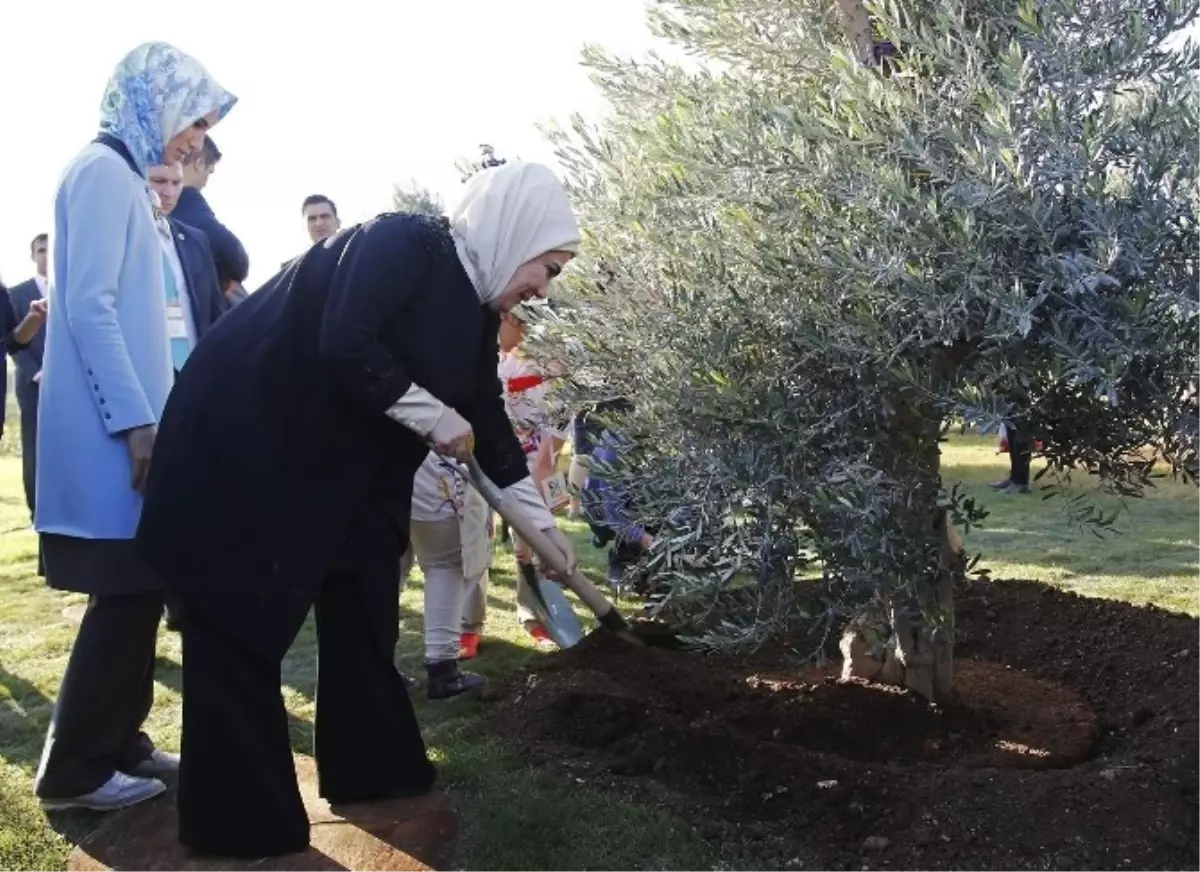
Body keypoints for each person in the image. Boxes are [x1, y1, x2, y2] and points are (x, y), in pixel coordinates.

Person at [135, 161, 581, 858]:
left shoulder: (474, 315)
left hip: (341, 475)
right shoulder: (404, 241)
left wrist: (545, 531)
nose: (543, 288)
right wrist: (434, 416)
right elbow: (346, 340)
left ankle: (372, 771)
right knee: (240, 630)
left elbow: (488, 427)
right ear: (514, 229)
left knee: (365, 604)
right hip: (242, 449)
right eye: (547, 266)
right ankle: (239, 823)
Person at [32, 41, 236, 813]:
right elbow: (88, 308)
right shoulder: (100, 172)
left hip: (140, 427)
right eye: (194, 118)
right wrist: (138, 426)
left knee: (140, 589)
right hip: (117, 436)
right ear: (153, 102)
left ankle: (122, 742)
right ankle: (76, 772)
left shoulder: (121, 176)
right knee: (124, 595)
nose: (195, 139)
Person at [398, 451, 490, 696]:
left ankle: (372, 664)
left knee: (387, 568)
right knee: (444, 566)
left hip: (379, 463)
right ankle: (443, 669)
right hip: (431, 469)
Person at [173, 134, 250, 304]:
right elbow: (235, 259)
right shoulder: (188, 204)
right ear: (199, 164)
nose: (208, 179)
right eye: (210, 171)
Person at [6, 234, 50, 518]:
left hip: (74, 387)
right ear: (33, 256)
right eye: (41, 250)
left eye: (51, 249)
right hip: (34, 386)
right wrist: (37, 373)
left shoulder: (74, 289)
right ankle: (39, 511)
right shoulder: (17, 294)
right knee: (36, 448)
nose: (47, 255)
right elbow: (10, 341)